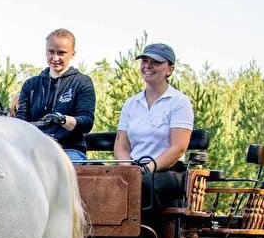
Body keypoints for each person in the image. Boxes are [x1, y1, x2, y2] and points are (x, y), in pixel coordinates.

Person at [114, 42, 194, 211]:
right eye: (144, 61)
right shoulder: (131, 103)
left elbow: (178, 148)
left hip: (169, 172)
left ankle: (147, 236)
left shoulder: (179, 102)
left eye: (155, 62)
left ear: (169, 70)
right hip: (134, 169)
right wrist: (128, 169)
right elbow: (121, 145)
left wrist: (146, 169)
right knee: (102, 182)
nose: (148, 66)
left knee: (144, 185)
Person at [15, 28, 96, 162]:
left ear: (73, 54)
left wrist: (63, 119)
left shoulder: (82, 82)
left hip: (69, 150)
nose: (55, 58)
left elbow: (87, 121)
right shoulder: (31, 85)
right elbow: (21, 120)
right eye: (51, 52)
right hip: (34, 149)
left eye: (61, 53)